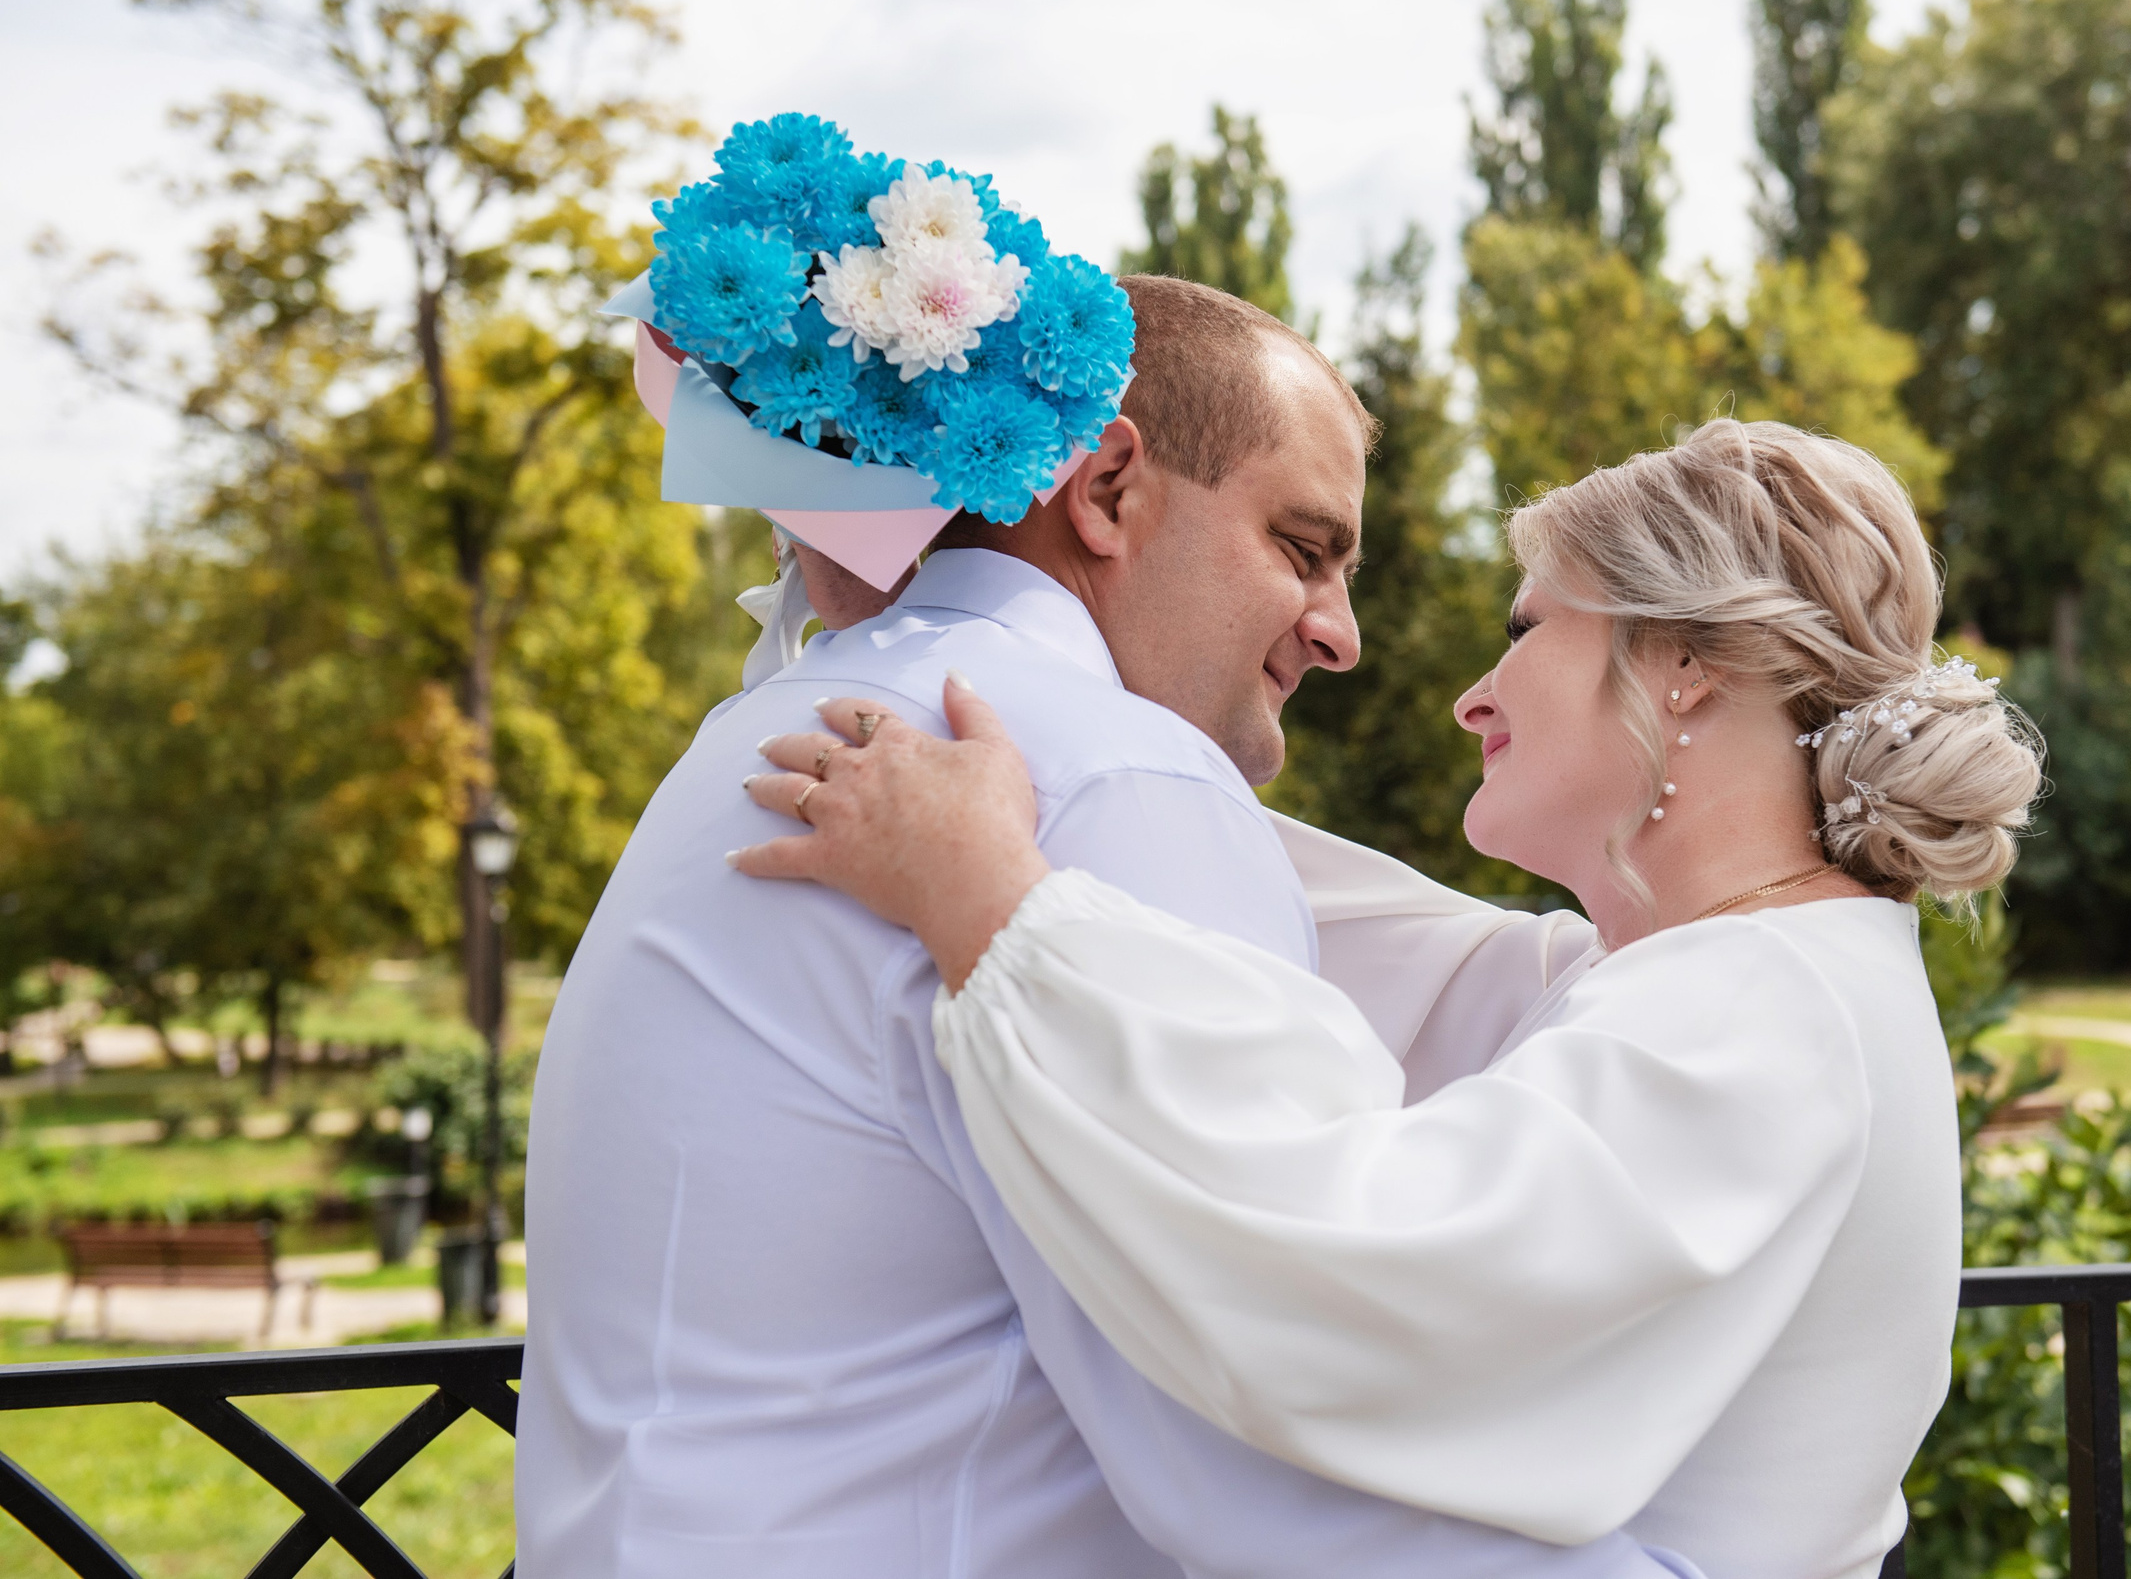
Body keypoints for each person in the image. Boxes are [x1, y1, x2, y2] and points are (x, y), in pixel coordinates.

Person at [514, 274, 1701, 1579]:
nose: (1341, 633)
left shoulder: (751, 730)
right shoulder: (1109, 772)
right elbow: (1256, 1422)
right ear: (1111, 487)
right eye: (1304, 549)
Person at [738, 418, 2045, 1579]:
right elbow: (1314, 901)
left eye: (1529, 627)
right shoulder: (1753, 970)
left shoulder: (1760, 1003)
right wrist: (925, 622)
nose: (1475, 693)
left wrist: (990, 906)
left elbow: (1357, 1282)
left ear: (1683, 659)